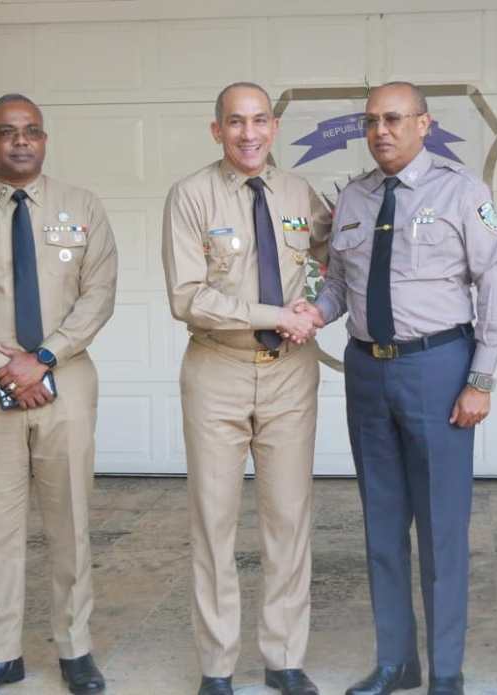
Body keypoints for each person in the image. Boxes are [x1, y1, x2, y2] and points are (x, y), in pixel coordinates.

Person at [298, 81, 497, 695]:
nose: (381, 131)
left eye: (394, 119)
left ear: (424, 123)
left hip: (437, 368)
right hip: (368, 372)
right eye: (371, 122)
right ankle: (396, 661)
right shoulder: (356, 197)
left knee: (442, 528)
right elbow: (339, 285)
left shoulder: (461, 191)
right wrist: (314, 311)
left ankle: (446, 670)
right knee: (382, 525)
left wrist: (480, 378)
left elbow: (496, 282)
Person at [0, 94, 118, 695]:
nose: (20, 141)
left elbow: (99, 294)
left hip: (66, 378)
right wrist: (4, 366)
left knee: (70, 520)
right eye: (6, 131)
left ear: (44, 139)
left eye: (31, 130)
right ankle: (1, 652)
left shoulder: (82, 206)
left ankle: (75, 647)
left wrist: (43, 358)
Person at [160, 81, 331, 695]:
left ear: (273, 128)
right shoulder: (191, 196)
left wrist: (312, 305)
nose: (249, 133)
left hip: (290, 374)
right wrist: (273, 314)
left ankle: (284, 658)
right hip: (218, 371)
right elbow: (187, 297)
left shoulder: (300, 193)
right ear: (217, 130)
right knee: (214, 523)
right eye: (236, 122)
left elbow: (331, 260)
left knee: (289, 518)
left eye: (260, 120)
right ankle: (217, 666)